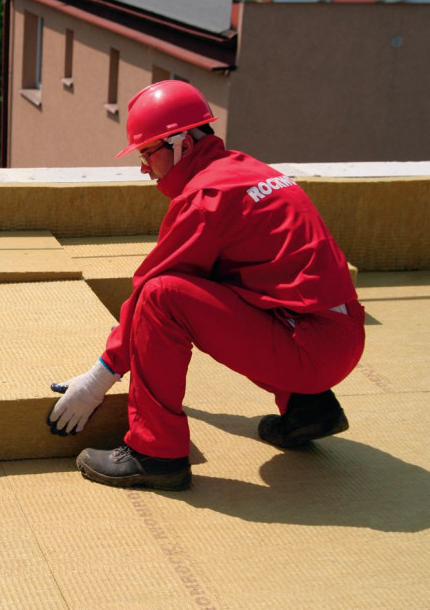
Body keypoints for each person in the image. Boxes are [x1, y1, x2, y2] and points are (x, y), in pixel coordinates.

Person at [48, 80, 365, 491]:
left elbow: (150, 287)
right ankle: (309, 410)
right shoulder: (248, 170)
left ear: (180, 141)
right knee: (218, 283)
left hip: (309, 350)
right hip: (335, 335)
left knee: (161, 297)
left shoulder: (207, 198)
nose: (145, 167)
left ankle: (154, 454)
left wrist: (98, 380)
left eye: (146, 153)